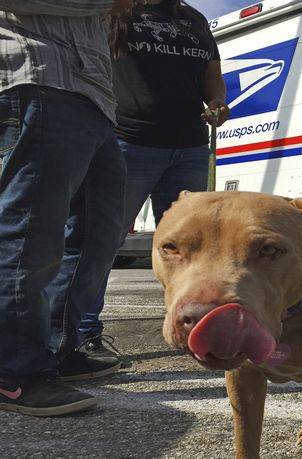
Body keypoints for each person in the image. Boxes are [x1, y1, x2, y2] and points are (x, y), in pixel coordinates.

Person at [0, 0, 133, 416]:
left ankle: (59, 349)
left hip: (93, 98)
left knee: (98, 233)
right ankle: (15, 371)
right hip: (40, 77)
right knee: (29, 233)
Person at [74, 0, 228, 358]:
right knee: (99, 242)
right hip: (127, 141)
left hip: (189, 146)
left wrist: (218, 101)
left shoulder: (193, 19)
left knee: (190, 248)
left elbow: (212, 76)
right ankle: (82, 335)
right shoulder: (119, 8)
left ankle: (191, 327)